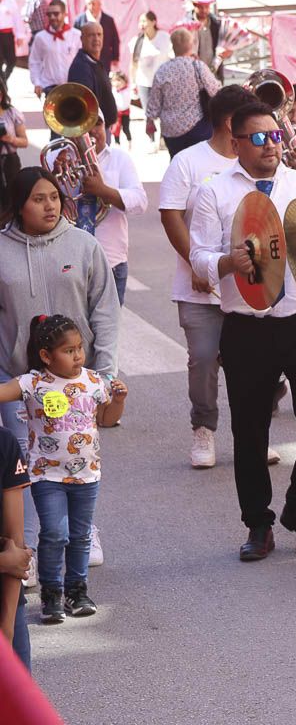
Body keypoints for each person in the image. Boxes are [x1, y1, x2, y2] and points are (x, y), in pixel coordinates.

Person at [189, 102, 296, 561]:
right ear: (235, 142)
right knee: (250, 430)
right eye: (258, 138)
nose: (271, 145)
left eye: (275, 136)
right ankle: (258, 524)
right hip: (246, 326)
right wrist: (226, 261)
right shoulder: (214, 191)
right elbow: (198, 255)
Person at [0, 168, 120, 585]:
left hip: (74, 381)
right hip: (20, 378)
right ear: (18, 203)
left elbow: (105, 310)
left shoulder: (83, 245)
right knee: (28, 461)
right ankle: (30, 545)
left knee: (73, 452)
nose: (50, 205)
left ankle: (82, 529)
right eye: (38, 198)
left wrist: (103, 373)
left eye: (54, 196)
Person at [159, 85, 285, 469]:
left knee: (254, 365)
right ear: (232, 124)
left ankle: (254, 433)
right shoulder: (188, 162)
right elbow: (171, 214)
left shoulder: (258, 166)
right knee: (203, 358)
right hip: (201, 289)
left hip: (250, 290)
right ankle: (204, 430)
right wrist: (200, 266)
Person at [0, 315, 127, 624]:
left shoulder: (94, 381)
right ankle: (52, 594)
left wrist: (119, 400)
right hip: (47, 476)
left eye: (80, 348)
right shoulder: (33, 382)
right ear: (46, 355)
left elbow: (107, 419)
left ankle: (77, 591)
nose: (78, 356)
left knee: (81, 535)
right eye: (68, 350)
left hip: (87, 475)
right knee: (55, 533)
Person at [84, 116, 148, 304]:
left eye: (97, 123)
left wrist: (103, 191)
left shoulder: (120, 159)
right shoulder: (59, 158)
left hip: (110, 260)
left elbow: (140, 202)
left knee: (108, 330)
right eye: (85, 124)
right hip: (69, 263)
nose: (92, 130)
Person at [146, 27, 221, 157]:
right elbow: (215, 90)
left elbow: (154, 105)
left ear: (173, 46)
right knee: (200, 165)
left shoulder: (162, 71)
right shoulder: (197, 66)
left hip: (171, 131)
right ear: (191, 45)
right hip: (198, 128)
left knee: (178, 165)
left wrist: (150, 121)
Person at [0, 426, 33, 669]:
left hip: (6, 596)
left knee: (18, 701)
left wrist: (8, 628)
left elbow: (16, 546)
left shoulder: (4, 442)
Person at [67, 22, 119, 129]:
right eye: (91, 35)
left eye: (99, 34)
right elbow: (84, 107)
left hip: (103, 128)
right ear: (82, 38)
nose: (96, 39)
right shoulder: (81, 67)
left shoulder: (94, 61)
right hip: (94, 131)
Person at [28, 0, 80, 99]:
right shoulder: (40, 37)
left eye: (56, 14)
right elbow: (34, 61)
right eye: (49, 14)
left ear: (65, 14)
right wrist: (37, 83)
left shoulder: (76, 35)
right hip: (49, 86)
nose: (52, 17)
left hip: (72, 85)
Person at [128, 11, 171, 120]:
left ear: (153, 22)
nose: (141, 24)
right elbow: (133, 63)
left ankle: (163, 136)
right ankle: (151, 136)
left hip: (162, 82)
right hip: (144, 83)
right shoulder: (137, 41)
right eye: (140, 21)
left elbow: (172, 57)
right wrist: (133, 83)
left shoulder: (164, 37)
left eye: (144, 21)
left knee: (164, 113)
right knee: (148, 114)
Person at [187, 0, 232, 80]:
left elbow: (226, 47)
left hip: (214, 76)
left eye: (206, 6)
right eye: (201, 6)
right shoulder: (186, 24)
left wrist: (227, 52)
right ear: (194, 5)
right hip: (193, 76)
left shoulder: (217, 24)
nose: (204, 10)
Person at [72, 0, 118, 70]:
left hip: (104, 58)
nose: (91, 6)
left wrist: (115, 57)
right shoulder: (79, 20)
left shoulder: (108, 20)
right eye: (89, 4)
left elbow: (115, 39)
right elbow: (74, 40)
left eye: (93, 3)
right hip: (85, 59)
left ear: (100, 4)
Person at [0, 77, 28, 191]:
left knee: (12, 196)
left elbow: (24, 142)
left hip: (10, 161)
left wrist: (10, 139)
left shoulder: (12, 113)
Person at [0, 0, 19, 81]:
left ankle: (3, 82)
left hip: (7, 35)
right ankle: (3, 89)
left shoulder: (9, 1)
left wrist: (20, 35)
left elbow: (17, 18)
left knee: (11, 61)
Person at [109, 71, 132, 144]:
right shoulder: (113, 90)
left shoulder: (127, 90)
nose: (117, 83)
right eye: (114, 80)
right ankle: (117, 143)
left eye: (119, 80)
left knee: (126, 128)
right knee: (116, 128)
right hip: (117, 113)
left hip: (125, 112)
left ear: (125, 81)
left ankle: (129, 141)